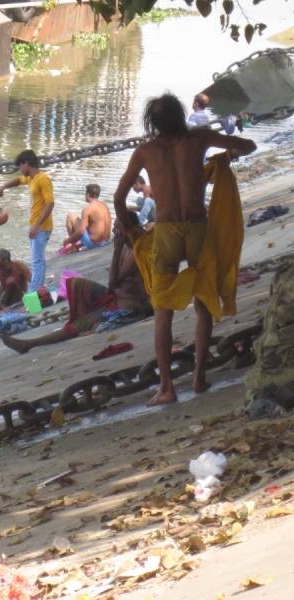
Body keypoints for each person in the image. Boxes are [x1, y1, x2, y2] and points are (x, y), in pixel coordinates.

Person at [113, 93, 256, 406]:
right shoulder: (200, 138)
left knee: (162, 311)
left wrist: (132, 231)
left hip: (165, 231)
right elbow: (249, 146)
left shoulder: (145, 151)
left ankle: (167, 389)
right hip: (197, 227)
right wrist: (226, 155)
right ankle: (199, 376)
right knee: (203, 299)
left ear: (152, 123)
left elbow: (119, 198)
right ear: (180, 116)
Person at [1, 212, 150, 354]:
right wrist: (121, 281)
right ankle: (84, 318)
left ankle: (28, 344)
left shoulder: (137, 251)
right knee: (75, 283)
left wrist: (116, 252)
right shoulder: (127, 249)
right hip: (117, 295)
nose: (114, 231)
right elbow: (116, 280)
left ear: (128, 230)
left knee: (77, 325)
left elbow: (113, 281)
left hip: (129, 303)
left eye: (117, 228)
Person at [0, 150, 54, 292]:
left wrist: (37, 226)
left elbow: (50, 203)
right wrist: (3, 187)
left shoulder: (43, 179)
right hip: (35, 226)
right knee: (39, 261)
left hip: (41, 227)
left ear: (26, 164)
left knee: (36, 262)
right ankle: (40, 291)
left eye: (20, 166)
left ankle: (32, 295)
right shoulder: (31, 179)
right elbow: (18, 181)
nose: (20, 170)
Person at [62, 184, 112, 252]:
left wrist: (68, 240)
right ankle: (77, 246)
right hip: (105, 241)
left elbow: (81, 231)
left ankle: (73, 248)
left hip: (94, 244)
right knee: (87, 225)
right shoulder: (105, 206)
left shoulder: (87, 209)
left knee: (70, 216)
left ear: (88, 195)